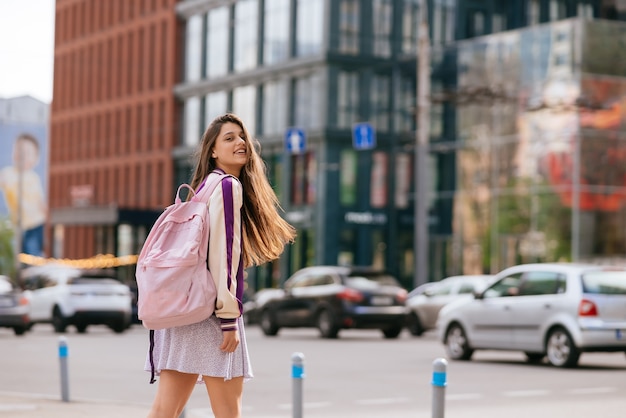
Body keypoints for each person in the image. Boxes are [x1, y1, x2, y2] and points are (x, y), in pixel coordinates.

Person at [145, 113, 296, 418]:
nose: (240, 143)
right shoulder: (227, 186)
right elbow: (225, 257)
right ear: (213, 151)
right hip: (213, 314)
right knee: (228, 412)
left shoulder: (203, 187)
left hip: (184, 311)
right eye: (229, 138)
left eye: (242, 137)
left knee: (164, 411)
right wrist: (229, 318)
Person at [0, 133, 47, 256]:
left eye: (27, 152)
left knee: (33, 253)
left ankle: (34, 273)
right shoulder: (8, 173)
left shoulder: (34, 177)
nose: (21, 155)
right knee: (21, 255)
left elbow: (40, 202)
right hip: (19, 225)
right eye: (18, 150)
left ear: (36, 159)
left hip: (36, 223)